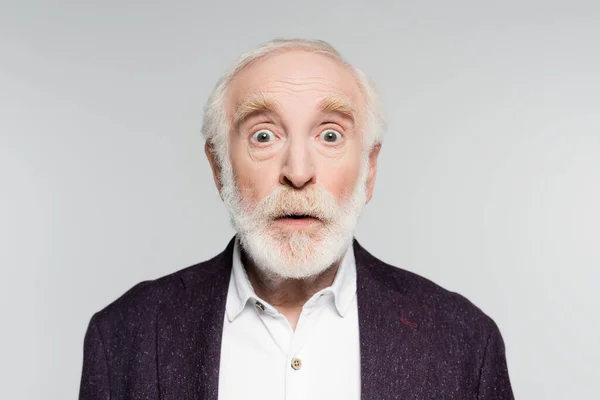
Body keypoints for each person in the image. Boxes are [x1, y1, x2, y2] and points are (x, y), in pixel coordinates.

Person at [79, 38, 514, 400]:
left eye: (330, 135)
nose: (299, 172)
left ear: (370, 170)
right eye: (263, 136)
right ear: (218, 168)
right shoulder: (124, 334)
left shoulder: (464, 341)